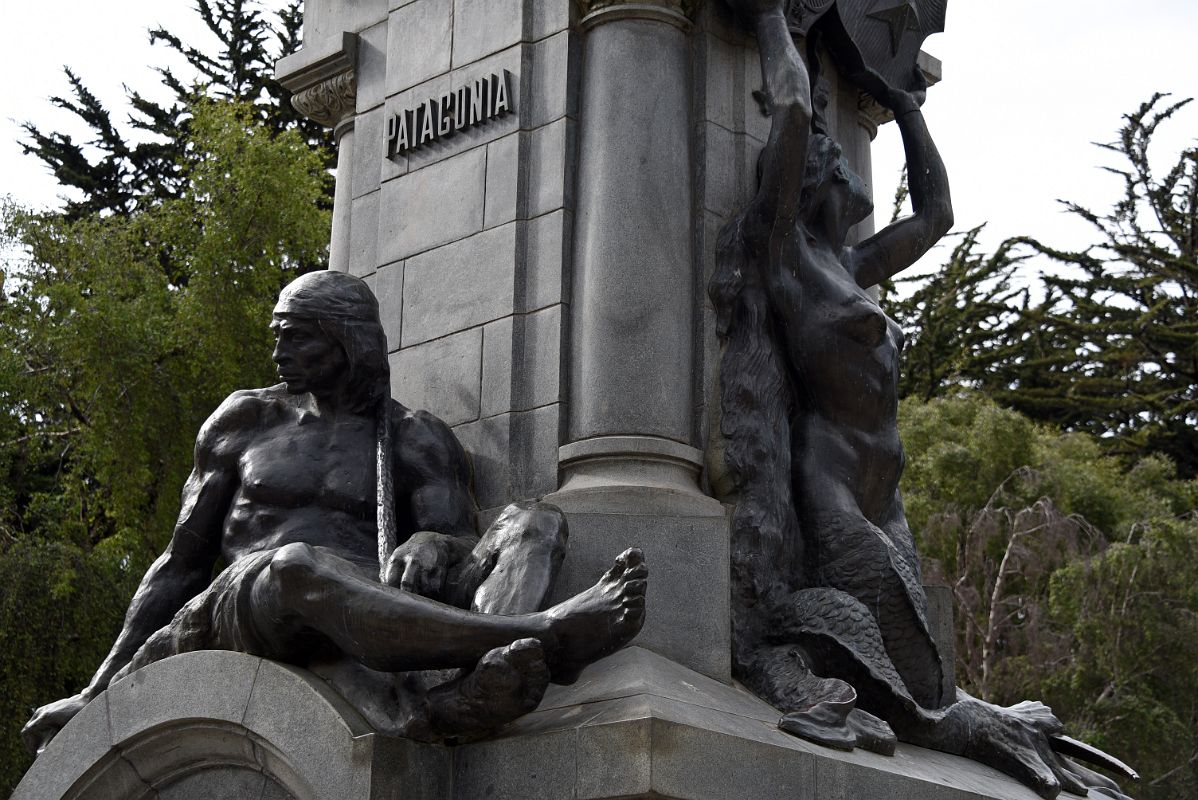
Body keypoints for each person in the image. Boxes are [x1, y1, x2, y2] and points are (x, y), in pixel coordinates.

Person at [710, 2, 1132, 798]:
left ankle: (976, 732)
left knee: (921, 662)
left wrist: (903, 101)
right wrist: (773, 20)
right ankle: (949, 723)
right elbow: (796, 108)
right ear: (811, 176)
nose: (842, 157)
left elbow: (937, 214)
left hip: (885, 496)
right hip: (832, 491)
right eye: (830, 155)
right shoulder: (789, 262)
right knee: (918, 666)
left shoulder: (850, 265)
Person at [22, 270, 647, 754]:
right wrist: (96, 691)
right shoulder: (245, 421)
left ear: (346, 339)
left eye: (295, 335)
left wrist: (434, 543)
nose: (278, 350)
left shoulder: (413, 437)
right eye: (276, 334)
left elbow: (458, 535)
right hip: (254, 599)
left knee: (534, 521)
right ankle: (543, 635)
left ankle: (483, 682)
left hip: (369, 598)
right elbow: (179, 565)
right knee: (296, 565)